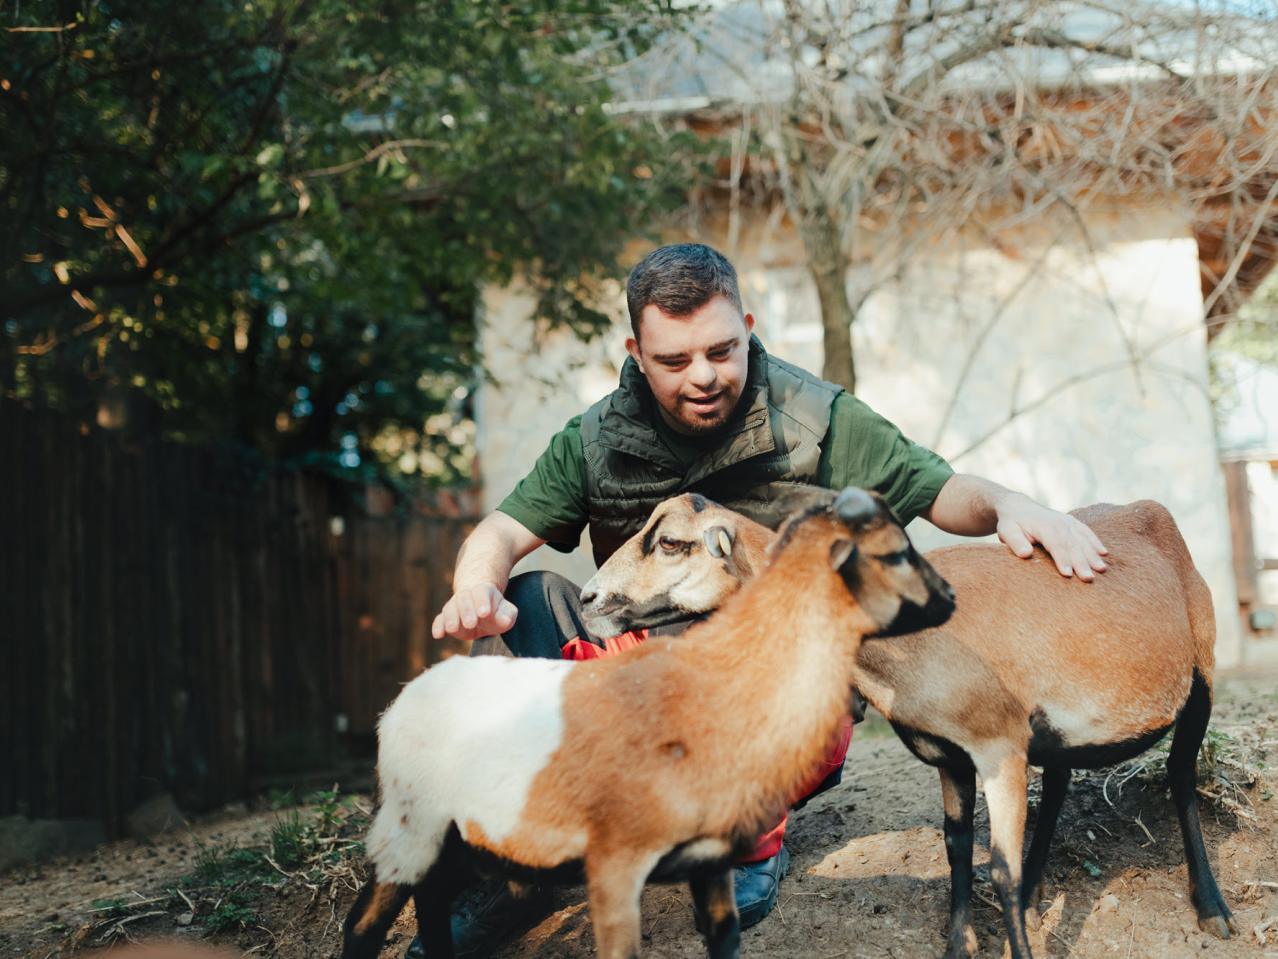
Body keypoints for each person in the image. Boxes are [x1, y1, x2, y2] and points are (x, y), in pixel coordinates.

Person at [411, 243, 1108, 958]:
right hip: (647, 671)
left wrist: (1010, 505)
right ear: (637, 352)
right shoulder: (595, 439)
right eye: (676, 361)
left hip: (776, 689)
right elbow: (500, 530)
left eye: (722, 349)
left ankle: (748, 842)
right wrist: (475, 587)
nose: (705, 375)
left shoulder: (816, 418)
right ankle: (517, 869)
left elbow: (936, 488)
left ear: (747, 326)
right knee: (526, 602)